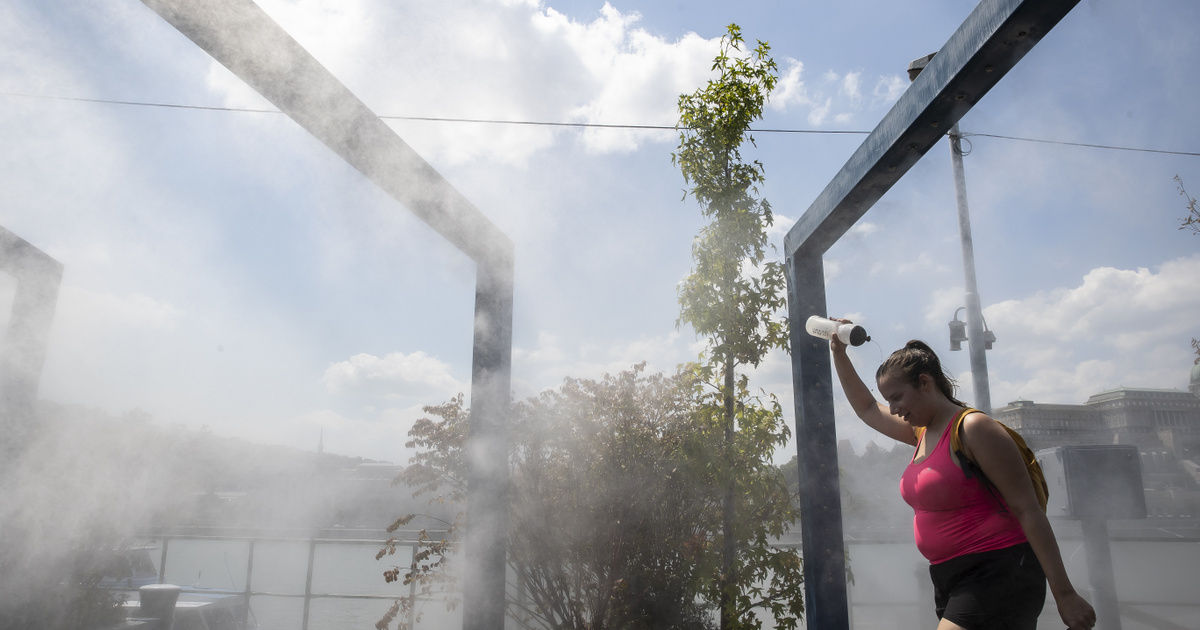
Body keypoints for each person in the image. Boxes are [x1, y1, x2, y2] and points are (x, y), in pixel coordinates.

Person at [828, 323, 1096, 630]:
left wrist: (1065, 594)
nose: (893, 408)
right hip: (948, 576)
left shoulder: (973, 429)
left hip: (999, 570)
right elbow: (865, 408)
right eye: (888, 400)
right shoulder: (922, 432)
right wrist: (839, 352)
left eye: (898, 397)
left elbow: (1028, 509)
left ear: (925, 382)